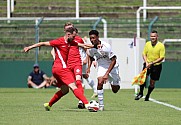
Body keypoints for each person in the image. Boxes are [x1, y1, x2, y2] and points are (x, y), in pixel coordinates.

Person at [24, 27, 93, 111]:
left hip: (56, 69)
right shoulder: (58, 42)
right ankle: (87, 104)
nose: (75, 38)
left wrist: (96, 46)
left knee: (65, 90)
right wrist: (29, 47)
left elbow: (84, 45)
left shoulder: (71, 42)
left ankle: (48, 105)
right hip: (62, 69)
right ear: (68, 35)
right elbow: (42, 43)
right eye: (73, 36)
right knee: (74, 87)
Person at [51, 22, 97, 109]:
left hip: (77, 63)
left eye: (71, 28)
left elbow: (85, 47)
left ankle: (82, 101)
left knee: (80, 80)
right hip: (66, 66)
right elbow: (53, 51)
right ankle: (49, 104)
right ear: (65, 30)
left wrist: (92, 58)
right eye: (68, 28)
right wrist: (57, 60)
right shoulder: (60, 41)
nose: (70, 30)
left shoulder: (78, 39)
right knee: (68, 88)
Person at [86, 30, 121, 111]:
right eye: (90, 38)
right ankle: (101, 106)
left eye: (93, 38)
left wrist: (107, 74)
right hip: (101, 66)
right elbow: (90, 57)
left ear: (98, 37)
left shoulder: (105, 46)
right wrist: (88, 67)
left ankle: (116, 81)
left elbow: (114, 60)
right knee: (100, 81)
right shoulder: (91, 49)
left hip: (112, 66)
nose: (92, 40)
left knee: (115, 90)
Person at [135, 30, 165, 101]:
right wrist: (146, 62)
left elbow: (161, 57)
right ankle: (141, 93)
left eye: (154, 36)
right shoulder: (147, 44)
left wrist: (152, 63)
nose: (152, 37)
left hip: (156, 66)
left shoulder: (161, 46)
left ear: (157, 37)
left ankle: (148, 95)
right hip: (147, 64)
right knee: (142, 79)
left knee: (152, 82)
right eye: (151, 36)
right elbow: (144, 54)